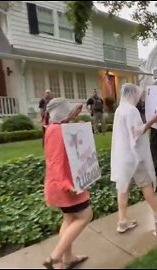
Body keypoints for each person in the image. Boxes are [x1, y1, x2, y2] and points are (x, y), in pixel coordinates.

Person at [111, 83, 157, 233]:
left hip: (123, 157)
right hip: (134, 156)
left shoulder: (119, 110)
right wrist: (152, 121)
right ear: (132, 94)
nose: (139, 99)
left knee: (123, 188)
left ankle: (122, 220)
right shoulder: (131, 110)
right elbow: (136, 132)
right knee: (146, 185)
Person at [42, 98, 90, 269]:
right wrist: (66, 185)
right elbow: (55, 162)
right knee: (85, 216)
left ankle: (67, 259)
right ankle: (55, 256)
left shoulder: (55, 128)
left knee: (69, 219)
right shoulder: (56, 130)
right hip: (66, 186)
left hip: (66, 183)